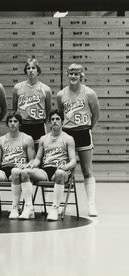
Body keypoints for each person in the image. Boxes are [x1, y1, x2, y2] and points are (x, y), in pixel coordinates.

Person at [57, 63, 100, 217]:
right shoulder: (61, 95)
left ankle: (91, 205)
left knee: (87, 170)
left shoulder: (89, 93)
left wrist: (88, 128)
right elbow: (61, 114)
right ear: (67, 75)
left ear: (81, 75)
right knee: (64, 169)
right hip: (67, 134)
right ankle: (61, 204)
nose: (73, 76)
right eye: (71, 73)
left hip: (83, 132)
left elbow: (96, 115)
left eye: (76, 73)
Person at [0, 112, 36, 219]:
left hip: (19, 170)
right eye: (10, 121)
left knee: (15, 172)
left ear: (20, 123)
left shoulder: (27, 138)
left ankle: (14, 208)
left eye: (15, 121)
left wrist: (26, 166)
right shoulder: (1, 140)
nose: (13, 124)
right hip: (4, 171)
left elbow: (32, 160)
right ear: (7, 124)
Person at [25, 110, 76, 221]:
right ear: (49, 122)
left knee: (59, 173)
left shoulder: (68, 138)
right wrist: (32, 165)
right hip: (45, 171)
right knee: (25, 173)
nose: (54, 121)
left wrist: (66, 167)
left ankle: (55, 208)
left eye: (57, 119)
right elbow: (38, 159)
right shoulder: (43, 138)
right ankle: (29, 208)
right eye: (52, 119)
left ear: (62, 122)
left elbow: (73, 161)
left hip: (60, 171)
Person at [12, 58, 52, 147]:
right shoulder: (17, 88)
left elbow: (48, 110)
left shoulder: (45, 89)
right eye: (28, 68)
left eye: (33, 68)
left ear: (38, 71)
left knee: (39, 155)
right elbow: (14, 110)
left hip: (38, 125)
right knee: (23, 154)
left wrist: (43, 121)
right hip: (23, 125)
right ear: (25, 71)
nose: (30, 71)